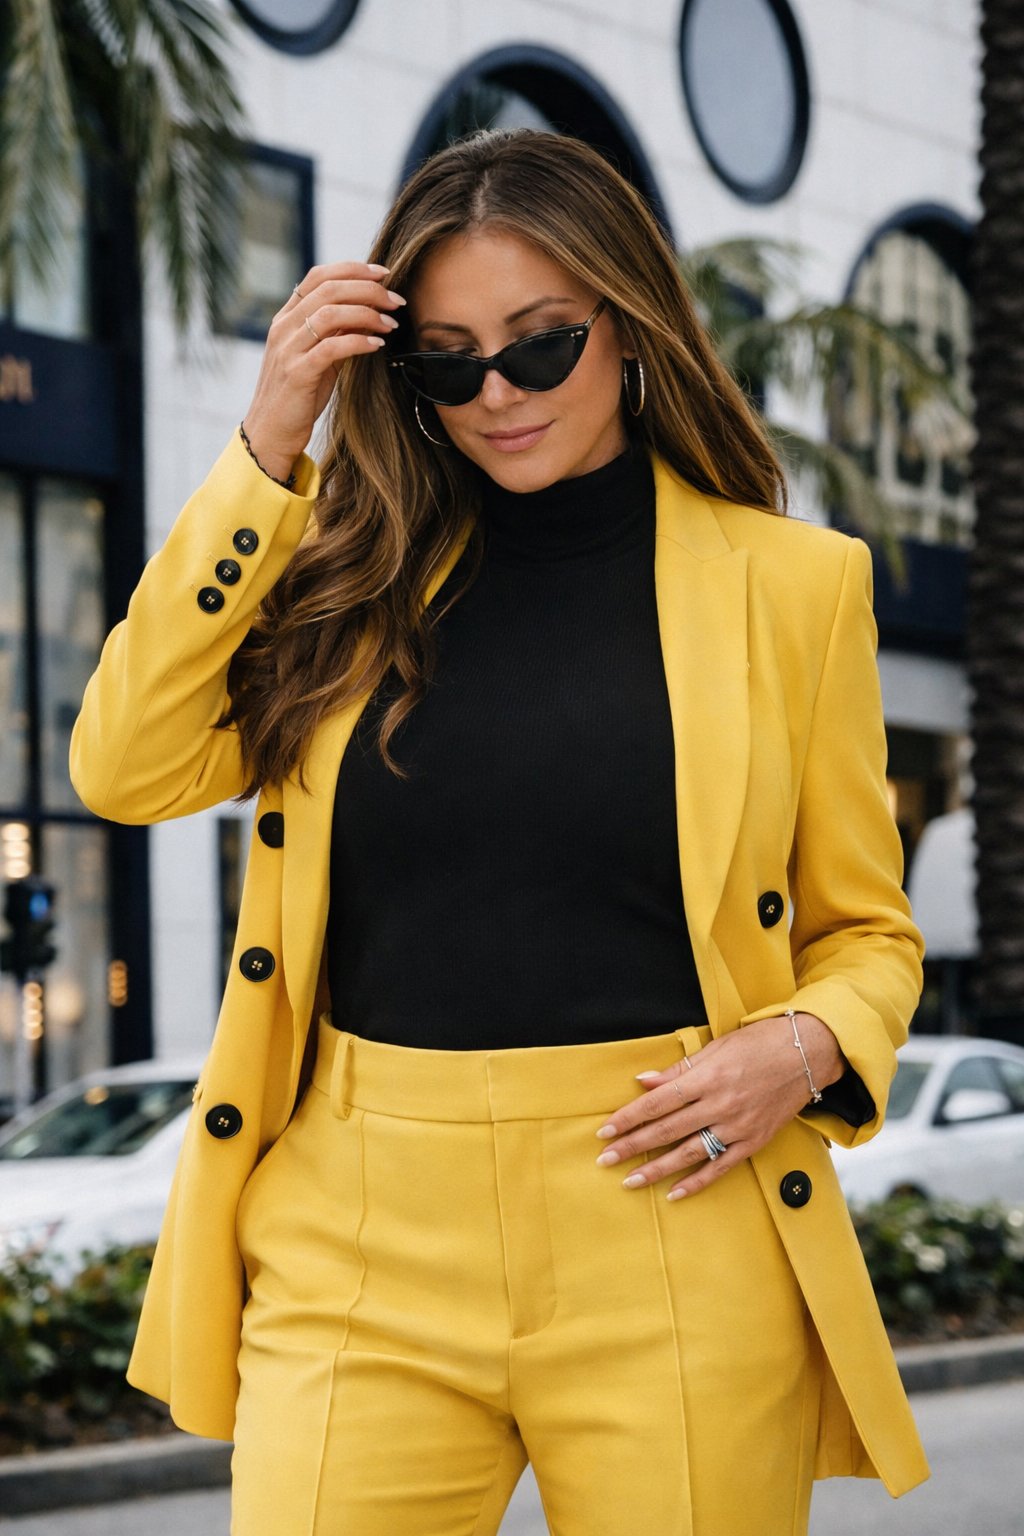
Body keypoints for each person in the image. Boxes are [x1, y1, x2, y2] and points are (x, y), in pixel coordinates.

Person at [71, 128, 928, 1536]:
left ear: (629, 321)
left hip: (672, 1212)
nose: (495, 395)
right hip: (356, 1236)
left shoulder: (793, 589)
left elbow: (866, 929)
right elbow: (124, 765)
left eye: (539, 348)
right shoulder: (342, 574)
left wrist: (810, 1042)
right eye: (445, 362)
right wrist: (270, 440)